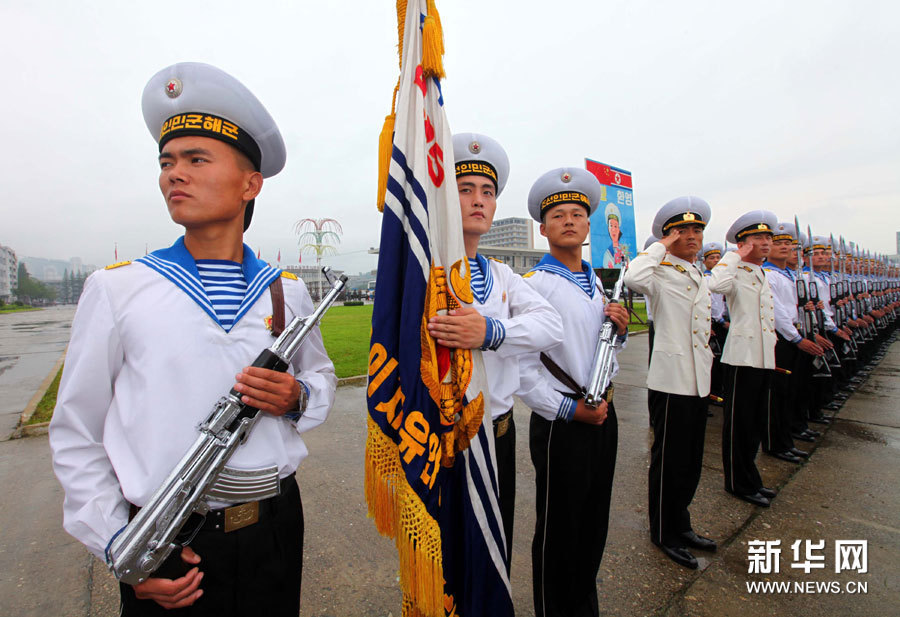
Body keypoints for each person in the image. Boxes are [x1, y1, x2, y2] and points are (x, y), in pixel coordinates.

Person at [49, 62, 337, 616]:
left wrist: (296, 398)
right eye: (167, 161)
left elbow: (321, 378)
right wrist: (121, 548)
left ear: (251, 183)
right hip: (168, 542)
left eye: (196, 159)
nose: (173, 174)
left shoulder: (288, 293)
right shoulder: (119, 288)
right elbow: (77, 433)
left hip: (274, 528)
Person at [426, 133, 562, 570]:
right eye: (465, 190)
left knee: (494, 551)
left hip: (498, 435)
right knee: (449, 558)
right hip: (444, 439)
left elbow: (550, 325)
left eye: (487, 192)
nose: (478, 200)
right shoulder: (427, 275)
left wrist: (491, 331)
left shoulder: (502, 276)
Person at [517, 168, 628, 617]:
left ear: (588, 226)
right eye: (558, 215)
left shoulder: (596, 281)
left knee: (594, 519)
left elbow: (593, 347)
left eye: (578, 214)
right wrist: (567, 410)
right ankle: (554, 608)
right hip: (564, 421)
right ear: (543, 229)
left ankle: (583, 602)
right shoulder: (533, 286)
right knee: (559, 528)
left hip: (604, 410)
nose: (569, 221)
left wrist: (617, 330)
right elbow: (522, 369)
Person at [624, 196, 716, 570]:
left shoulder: (695, 272)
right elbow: (631, 277)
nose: (692, 236)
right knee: (669, 461)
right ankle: (663, 531)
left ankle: (682, 523)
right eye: (683, 230)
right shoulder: (658, 271)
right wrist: (660, 246)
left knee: (691, 460)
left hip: (698, 379)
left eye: (697, 230)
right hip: (671, 378)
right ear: (668, 235)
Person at [708, 210, 778, 508]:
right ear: (742, 243)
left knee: (754, 424)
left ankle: (751, 478)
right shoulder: (733, 270)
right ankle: (737, 482)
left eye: (768, 237)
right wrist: (735, 255)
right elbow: (716, 285)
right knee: (739, 424)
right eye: (758, 238)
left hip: (763, 357)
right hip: (741, 358)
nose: (765, 242)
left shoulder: (762, 272)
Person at [761, 222, 822, 463]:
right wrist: (797, 338)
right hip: (783, 339)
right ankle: (776, 443)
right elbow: (776, 311)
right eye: (779, 243)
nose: (786, 247)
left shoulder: (789, 275)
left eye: (789, 243)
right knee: (779, 395)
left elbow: (794, 308)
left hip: (796, 335)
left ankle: (788, 437)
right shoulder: (768, 275)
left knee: (794, 391)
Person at [701, 242, 727, 402]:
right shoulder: (705, 279)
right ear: (704, 261)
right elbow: (710, 303)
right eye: (712, 258)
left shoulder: (720, 278)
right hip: (713, 323)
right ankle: (713, 392)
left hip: (721, 321)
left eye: (718, 257)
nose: (716, 260)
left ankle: (718, 390)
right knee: (713, 360)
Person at [601, 203, 624, 267]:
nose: (613, 230)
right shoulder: (607, 253)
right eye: (611, 226)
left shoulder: (624, 250)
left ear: (619, 229)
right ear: (608, 229)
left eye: (615, 226)